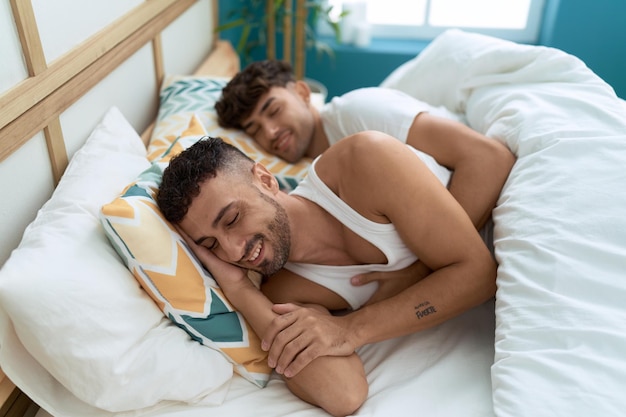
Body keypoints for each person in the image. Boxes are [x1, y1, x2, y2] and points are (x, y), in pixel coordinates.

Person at [157, 132, 514, 414]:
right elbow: (343, 394)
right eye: (213, 245)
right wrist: (240, 290)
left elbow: (479, 274)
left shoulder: (362, 163)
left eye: (233, 219)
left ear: (265, 180)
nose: (235, 251)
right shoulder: (283, 291)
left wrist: (350, 329)